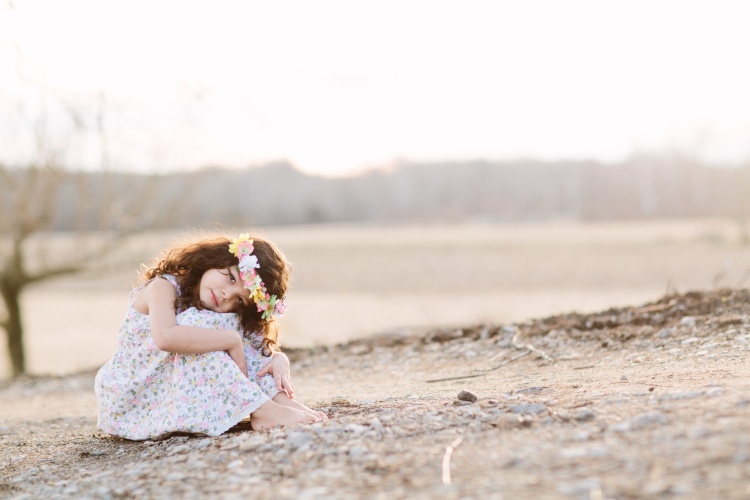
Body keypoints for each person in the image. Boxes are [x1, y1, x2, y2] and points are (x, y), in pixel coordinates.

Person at [95, 233, 326, 440]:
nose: (227, 295)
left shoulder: (220, 312)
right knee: (205, 327)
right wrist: (231, 341)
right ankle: (261, 409)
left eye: (239, 300)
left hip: (168, 386)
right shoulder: (162, 287)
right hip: (131, 393)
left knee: (225, 324)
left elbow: (252, 343)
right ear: (218, 260)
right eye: (232, 278)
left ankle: (278, 400)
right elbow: (166, 337)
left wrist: (278, 358)